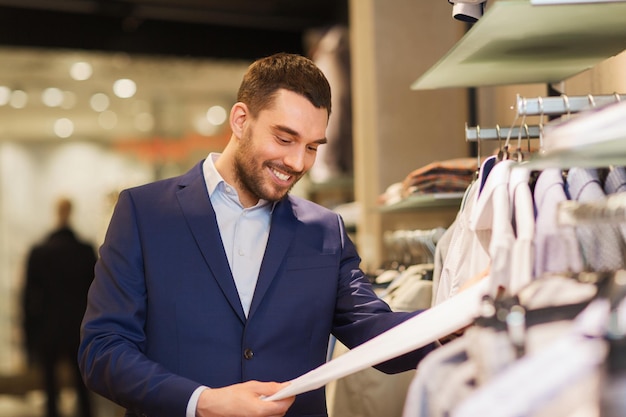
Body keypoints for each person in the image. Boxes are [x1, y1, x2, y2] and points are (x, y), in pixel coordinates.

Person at [78, 52, 436, 417]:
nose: (298, 163)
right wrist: (203, 402)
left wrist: (457, 320)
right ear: (240, 120)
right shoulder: (144, 213)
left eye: (312, 147)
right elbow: (104, 351)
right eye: (285, 139)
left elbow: (374, 330)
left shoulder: (326, 230)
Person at [23, 197, 96, 417]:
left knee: (51, 391)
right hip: (79, 328)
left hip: (48, 329)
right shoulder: (84, 251)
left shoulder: (40, 252)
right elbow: (96, 295)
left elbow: (29, 299)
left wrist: (30, 335)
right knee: (83, 389)